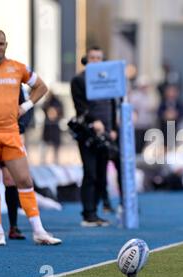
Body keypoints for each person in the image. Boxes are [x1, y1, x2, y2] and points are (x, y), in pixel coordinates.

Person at [0, 29, 62, 246]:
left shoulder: (17, 68)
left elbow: (41, 87)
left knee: (24, 180)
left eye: (1, 43)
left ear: (6, 44)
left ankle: (39, 231)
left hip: (12, 133)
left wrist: (26, 106)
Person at [70, 46, 118, 227]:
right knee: (90, 172)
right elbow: (80, 106)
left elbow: (113, 105)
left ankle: (95, 212)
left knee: (100, 174)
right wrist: (94, 121)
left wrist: (112, 127)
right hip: (88, 133)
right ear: (86, 59)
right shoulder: (78, 80)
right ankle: (88, 214)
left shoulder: (108, 79)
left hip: (106, 134)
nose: (96, 61)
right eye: (93, 58)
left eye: (99, 58)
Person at [2, 85, 34, 240]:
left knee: (11, 180)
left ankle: (13, 227)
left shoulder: (14, 78)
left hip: (9, 137)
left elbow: (27, 105)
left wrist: (20, 128)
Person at [41, 90, 63, 164]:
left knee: (56, 146)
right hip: (48, 128)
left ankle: (56, 161)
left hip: (55, 127)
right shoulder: (47, 103)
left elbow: (61, 113)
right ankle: (43, 162)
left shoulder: (57, 103)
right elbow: (43, 109)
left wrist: (55, 113)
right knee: (45, 146)